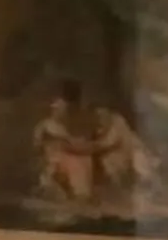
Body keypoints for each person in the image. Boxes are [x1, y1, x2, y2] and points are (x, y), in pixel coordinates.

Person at [33, 78, 154, 208]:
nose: (57, 107)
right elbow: (68, 147)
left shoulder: (115, 123)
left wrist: (78, 146)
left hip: (122, 164)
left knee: (93, 164)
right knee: (76, 163)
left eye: (62, 104)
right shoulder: (48, 127)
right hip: (58, 167)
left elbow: (98, 145)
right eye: (56, 104)